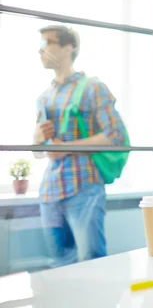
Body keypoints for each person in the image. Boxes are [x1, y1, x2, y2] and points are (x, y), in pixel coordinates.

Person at [33, 25, 127, 267]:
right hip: (50, 192)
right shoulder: (44, 98)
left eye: (47, 43)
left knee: (91, 265)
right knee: (58, 268)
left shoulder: (92, 87)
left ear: (68, 48)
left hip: (83, 188)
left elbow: (114, 135)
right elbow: (39, 152)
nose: (40, 50)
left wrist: (65, 147)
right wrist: (36, 138)